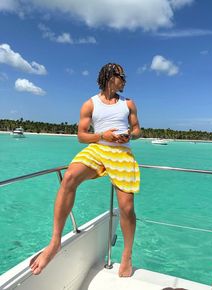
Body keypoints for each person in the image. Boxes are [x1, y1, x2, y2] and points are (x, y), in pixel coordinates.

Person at [30, 63, 141, 277]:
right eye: (122, 76)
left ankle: (127, 255)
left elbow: (138, 130)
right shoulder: (90, 104)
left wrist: (129, 134)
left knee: (126, 207)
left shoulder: (128, 104)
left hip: (122, 154)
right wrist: (102, 136)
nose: (125, 80)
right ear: (110, 77)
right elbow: (81, 136)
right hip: (97, 149)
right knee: (69, 176)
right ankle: (55, 242)